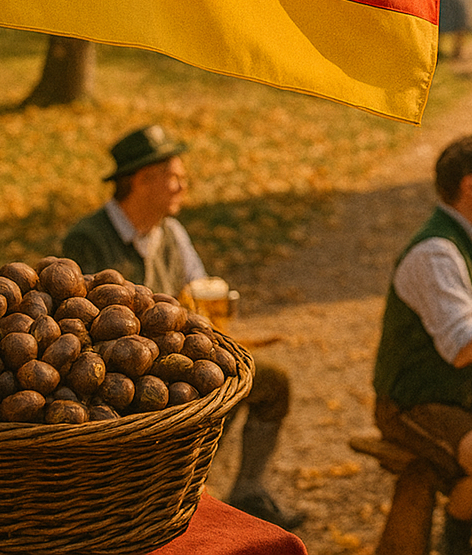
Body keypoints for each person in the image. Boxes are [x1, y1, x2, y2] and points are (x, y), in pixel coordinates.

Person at [62, 126, 304, 530]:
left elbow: (199, 289)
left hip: (175, 362)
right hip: (118, 378)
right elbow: (78, 325)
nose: (183, 185)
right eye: (175, 176)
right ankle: (178, 495)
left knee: (270, 382)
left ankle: (246, 491)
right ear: (142, 180)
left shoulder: (171, 232)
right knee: (202, 396)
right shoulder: (87, 241)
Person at [372, 134, 472, 555]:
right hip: (413, 402)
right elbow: (464, 345)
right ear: (470, 186)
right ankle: (457, 542)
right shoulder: (435, 252)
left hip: (463, 391)